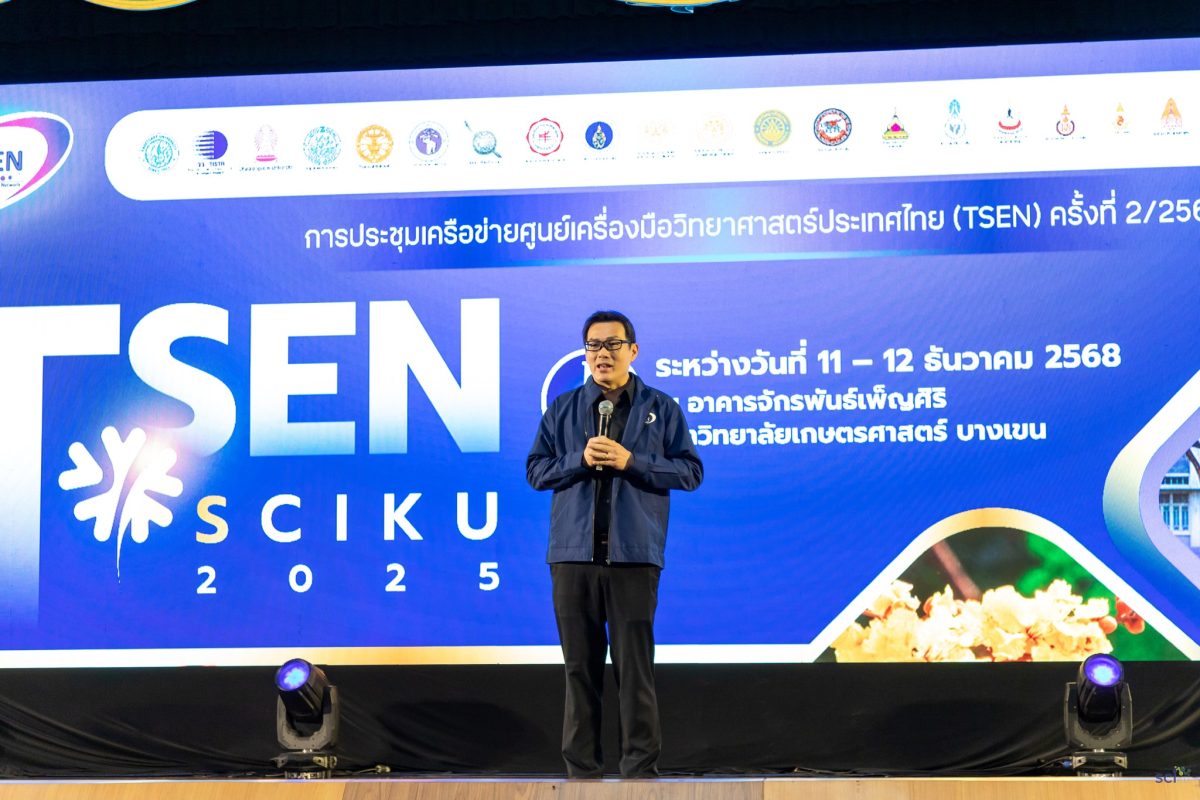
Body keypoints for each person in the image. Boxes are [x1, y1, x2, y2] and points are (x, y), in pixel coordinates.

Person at [526, 310, 704, 779]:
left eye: (612, 344)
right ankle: (582, 772)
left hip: (634, 557)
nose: (601, 354)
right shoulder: (563, 408)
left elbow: (690, 471)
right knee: (579, 670)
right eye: (593, 345)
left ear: (633, 350)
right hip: (572, 557)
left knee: (634, 670)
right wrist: (578, 460)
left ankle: (639, 771)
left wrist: (633, 461)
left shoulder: (661, 408)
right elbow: (535, 471)